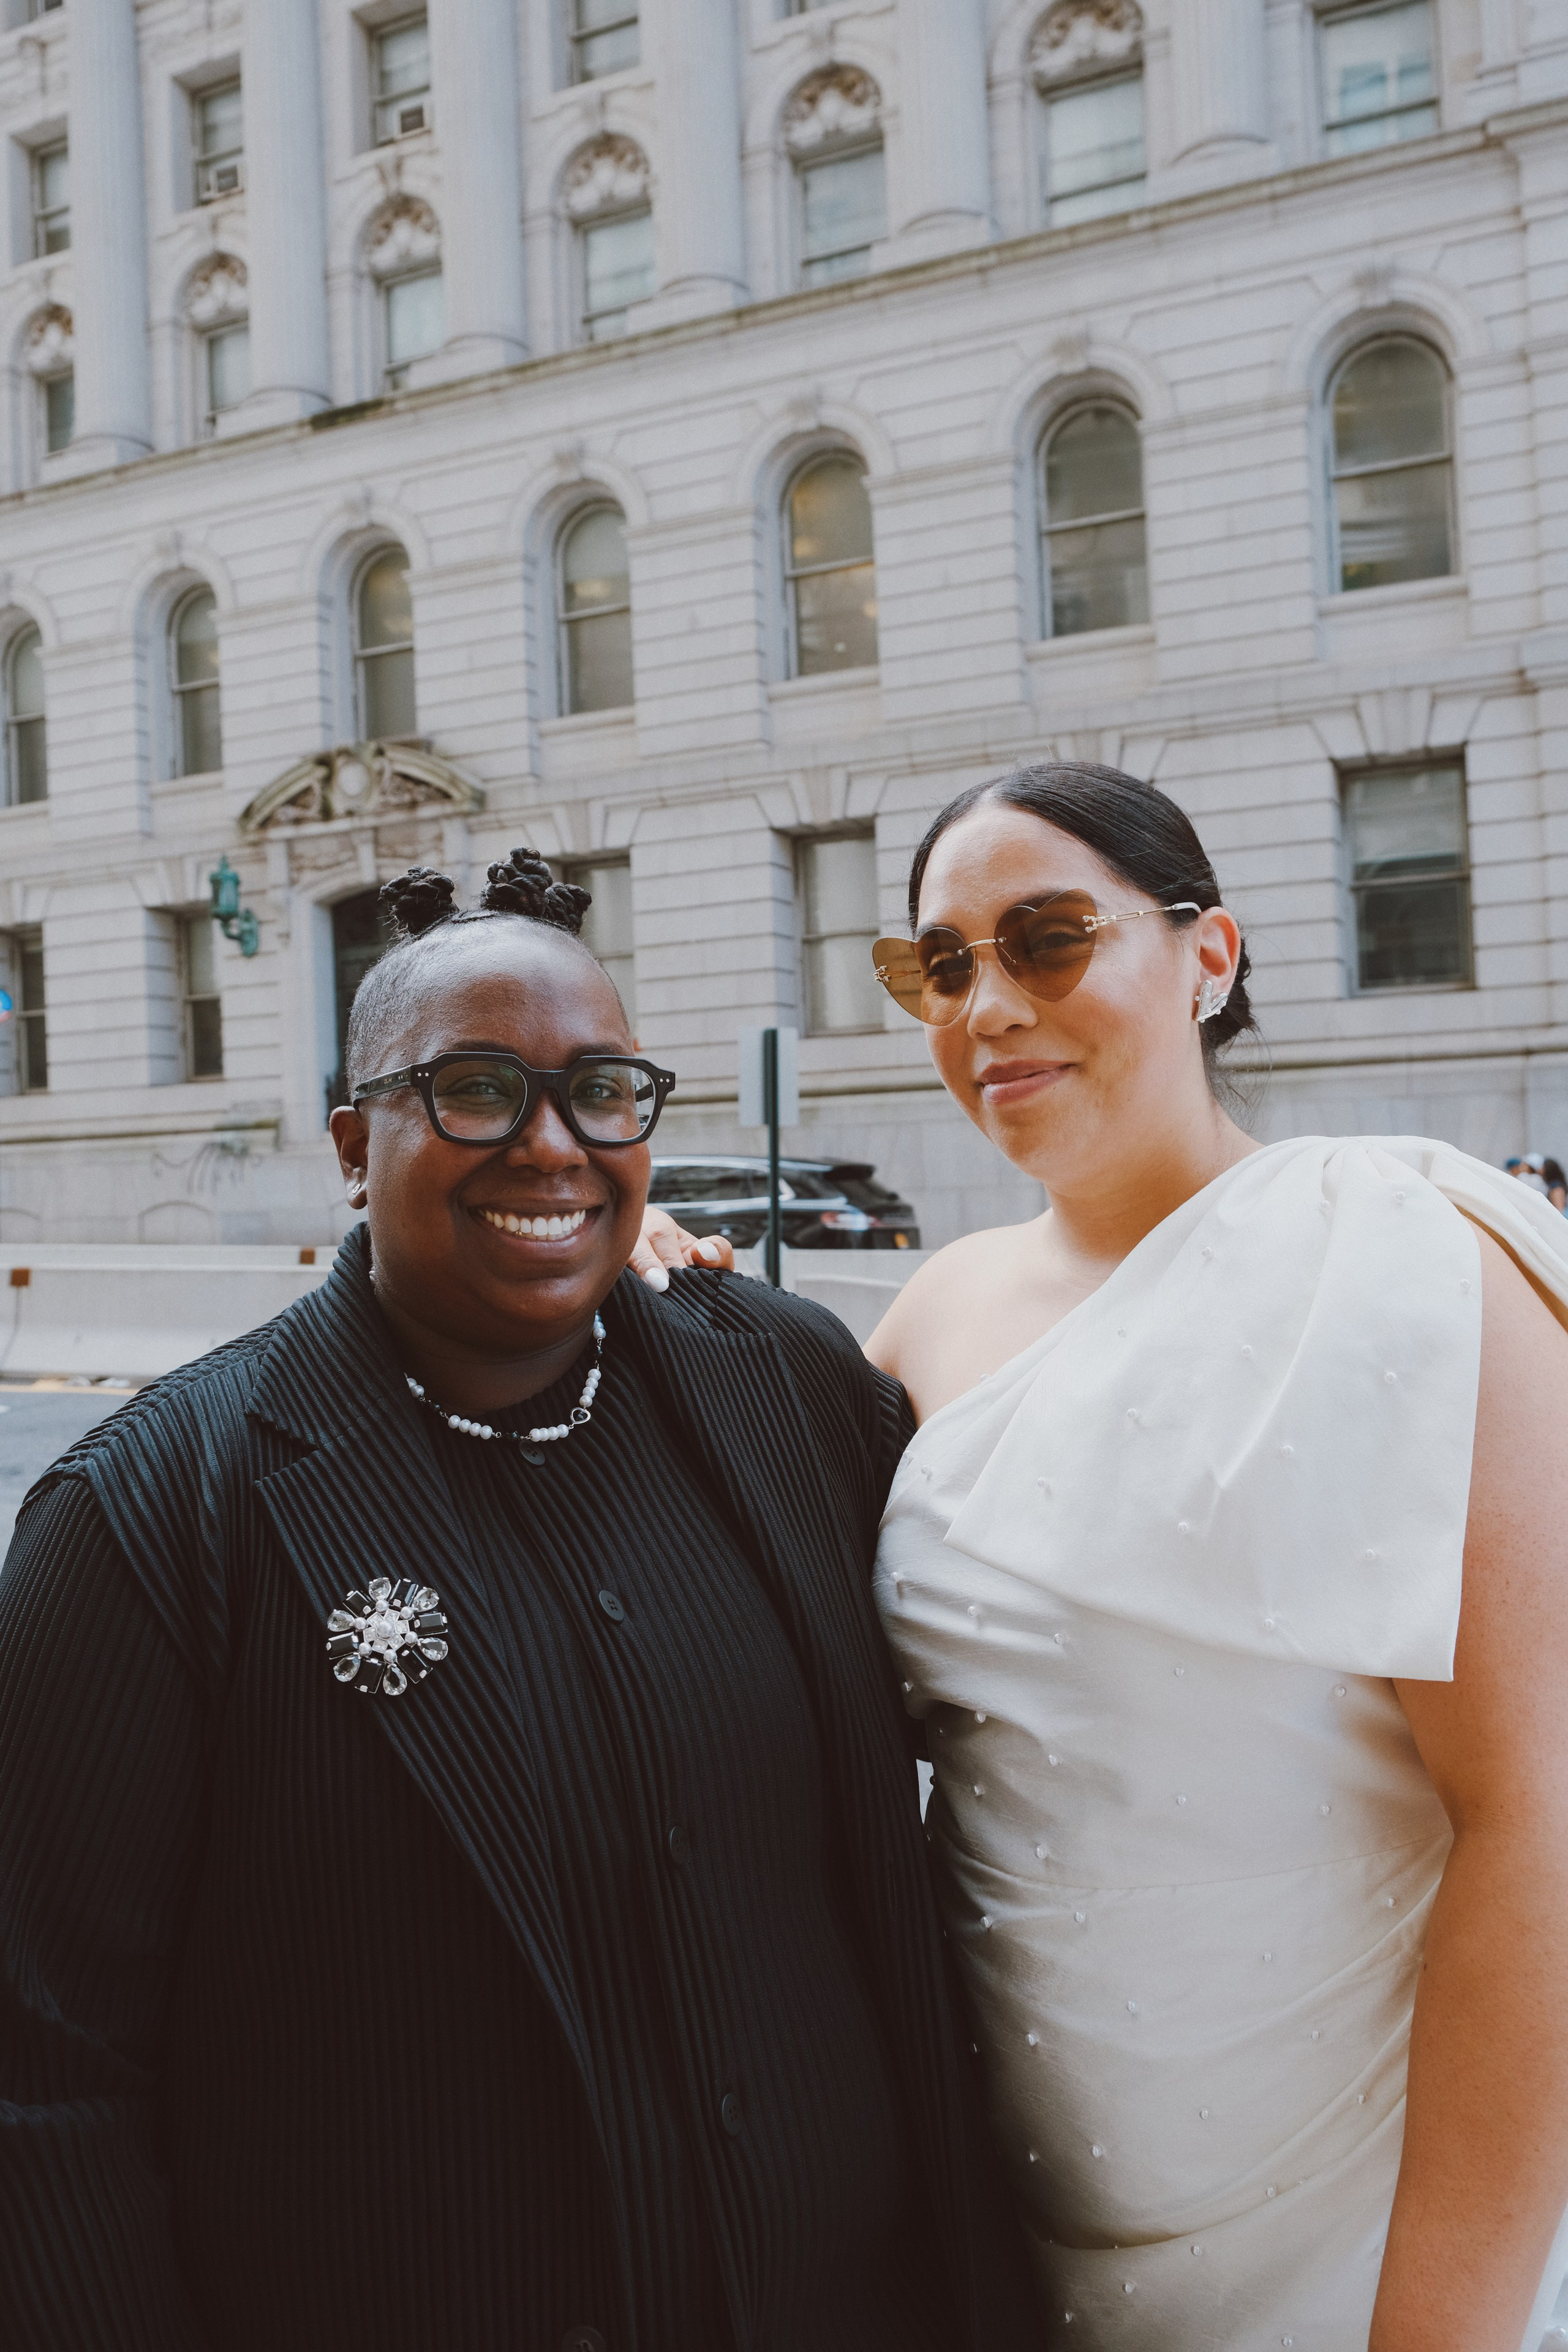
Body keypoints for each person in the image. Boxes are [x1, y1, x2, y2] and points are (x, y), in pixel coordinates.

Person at [0, 850, 1039, 2352]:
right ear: (357, 1141)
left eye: (602, 1091)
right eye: (477, 1091)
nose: (552, 1146)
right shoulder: (156, 1517)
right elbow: (44, 2078)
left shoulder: (792, 1396)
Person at [859, 764, 1568, 2351]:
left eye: (1048, 940)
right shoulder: (928, 1316)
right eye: (943, 965)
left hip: (1359, 2218)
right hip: (1031, 2222)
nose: (988, 1006)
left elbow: (1539, 1823)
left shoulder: (1404, 1253)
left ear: (1209, 956)